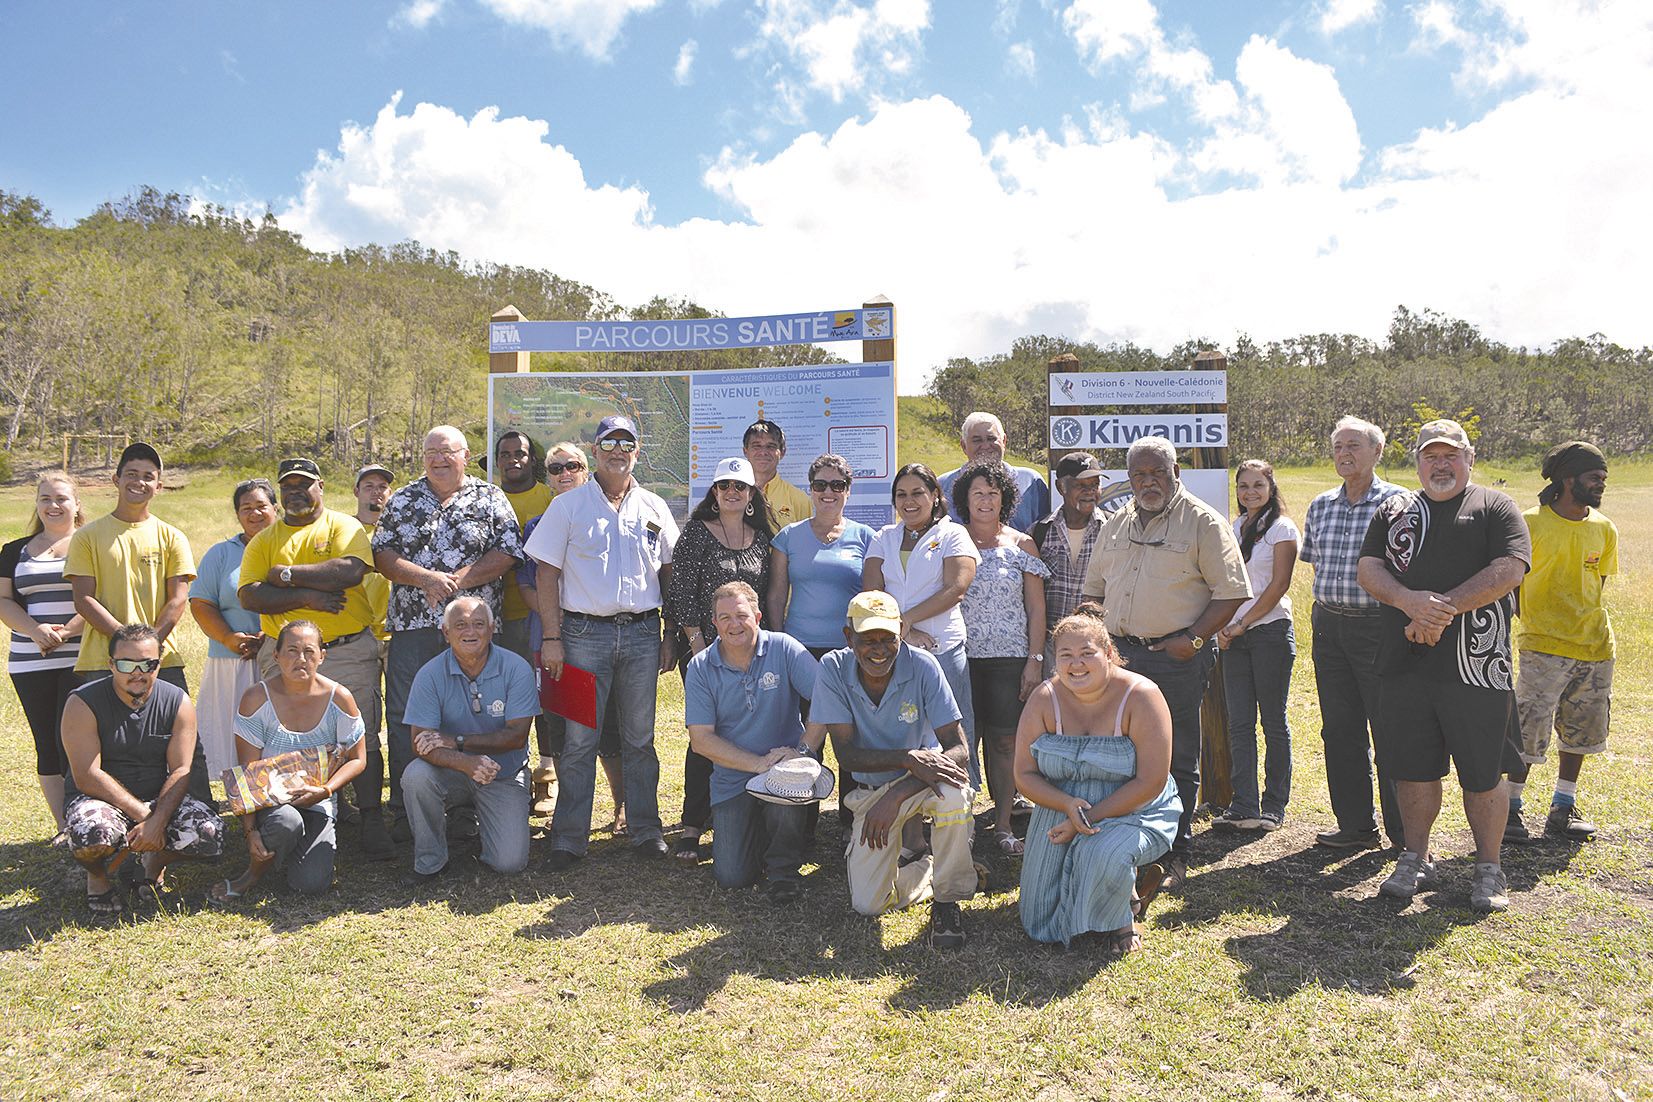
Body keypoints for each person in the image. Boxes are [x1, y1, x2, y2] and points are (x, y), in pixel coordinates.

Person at [1358, 419, 1529, 912]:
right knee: (1412, 769)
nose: (1440, 464)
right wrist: (1410, 602)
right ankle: (1416, 857)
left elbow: (1509, 569)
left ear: (1469, 459)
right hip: (1405, 661)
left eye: (1450, 455)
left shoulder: (1494, 506)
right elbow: (1369, 568)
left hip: (1478, 666)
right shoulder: (1394, 509)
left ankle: (1489, 868)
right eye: (1430, 456)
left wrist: (1440, 609)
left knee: (1483, 772)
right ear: (1416, 463)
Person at [1079, 436, 1250, 889]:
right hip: (1119, 657)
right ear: (1129, 478)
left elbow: (1231, 593)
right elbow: (1093, 592)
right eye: (1139, 475)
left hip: (1175, 658)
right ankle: (1129, 841)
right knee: (1119, 751)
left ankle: (1175, 851)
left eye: (1158, 472)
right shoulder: (1115, 523)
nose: (1148, 482)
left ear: (1177, 472)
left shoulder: (1203, 523)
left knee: (1176, 756)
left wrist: (1192, 640)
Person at [528, 414, 678, 868]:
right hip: (580, 635)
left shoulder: (654, 505)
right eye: (608, 443)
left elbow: (669, 571)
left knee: (640, 738)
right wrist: (551, 637)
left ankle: (645, 830)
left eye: (626, 443)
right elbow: (546, 573)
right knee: (577, 740)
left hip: (641, 633)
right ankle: (569, 839)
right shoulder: (569, 506)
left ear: (637, 451)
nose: (618, 451)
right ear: (595, 452)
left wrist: (670, 632)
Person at [372, 426, 523, 840]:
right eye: (430, 452)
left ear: (465, 454)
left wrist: (455, 580)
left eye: (447, 452)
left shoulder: (490, 497)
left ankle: (465, 808)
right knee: (408, 716)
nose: (438, 459)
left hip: (473, 631)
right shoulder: (402, 499)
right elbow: (382, 554)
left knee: (471, 715)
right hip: (413, 627)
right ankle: (407, 812)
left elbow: (509, 551)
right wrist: (425, 579)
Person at [239, 457, 391, 859]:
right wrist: (308, 596)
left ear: (320, 486)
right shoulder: (264, 539)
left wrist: (285, 576)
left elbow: (349, 571)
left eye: (303, 484)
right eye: (287, 485)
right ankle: (291, 818)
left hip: (347, 650)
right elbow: (251, 594)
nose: (295, 492)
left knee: (362, 735)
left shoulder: (344, 526)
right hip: (284, 657)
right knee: (286, 737)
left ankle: (371, 817)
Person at [811, 591, 976, 949]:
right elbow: (848, 756)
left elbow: (959, 748)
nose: (879, 649)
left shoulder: (924, 665)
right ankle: (933, 869)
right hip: (874, 791)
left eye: (888, 638)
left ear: (902, 631)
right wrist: (908, 758)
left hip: (922, 783)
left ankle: (948, 902)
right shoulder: (833, 668)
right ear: (847, 637)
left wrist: (901, 790)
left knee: (953, 796)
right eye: (867, 639)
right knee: (868, 905)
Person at [1015, 605, 1180, 956]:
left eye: (1087, 653)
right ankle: (1121, 888)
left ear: (1108, 654)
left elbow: (1152, 780)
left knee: (1099, 852)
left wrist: (1085, 820)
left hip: (1133, 806)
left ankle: (1123, 915)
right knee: (1038, 923)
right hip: (1063, 806)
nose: (1076, 664)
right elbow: (1024, 774)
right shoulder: (1043, 699)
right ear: (1054, 660)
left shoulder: (1142, 695)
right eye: (1066, 655)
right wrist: (1066, 806)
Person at [60, 624, 224, 915]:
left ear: (158, 664)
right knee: (93, 835)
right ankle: (97, 877)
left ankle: (153, 864)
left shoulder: (178, 702)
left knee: (210, 835)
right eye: (127, 663)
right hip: (98, 799)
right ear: (111, 664)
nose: (138, 672)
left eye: (148, 663)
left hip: (155, 798)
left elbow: (182, 769)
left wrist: (158, 819)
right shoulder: (82, 703)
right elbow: (87, 774)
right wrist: (148, 819)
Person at [1299, 416, 1407, 850]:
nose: (1345, 453)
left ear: (1378, 452)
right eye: (1339, 446)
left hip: (1379, 628)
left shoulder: (1400, 503)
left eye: (1355, 446)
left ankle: (1404, 834)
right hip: (1329, 627)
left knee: (1391, 729)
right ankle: (1356, 827)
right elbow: (1315, 562)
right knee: (1339, 730)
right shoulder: (1321, 504)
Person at [684, 582, 827, 904]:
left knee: (786, 784)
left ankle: (783, 873)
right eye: (724, 618)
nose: (734, 625)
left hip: (785, 772)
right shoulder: (701, 667)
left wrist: (802, 752)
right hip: (733, 779)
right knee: (732, 877)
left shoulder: (785, 648)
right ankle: (765, 836)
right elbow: (702, 741)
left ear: (758, 616)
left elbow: (826, 700)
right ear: (715, 623)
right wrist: (759, 764)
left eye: (741, 615)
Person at [1504, 442, 1617, 844]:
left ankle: (1563, 808)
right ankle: (1510, 811)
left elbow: (1597, 585)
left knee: (1580, 733)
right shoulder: (1529, 523)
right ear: (1568, 480)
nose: (1600, 484)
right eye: (1594, 477)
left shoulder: (1604, 529)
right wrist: (1534, 622)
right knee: (1527, 730)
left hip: (1595, 647)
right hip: (1542, 648)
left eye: (1603, 478)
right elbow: (1511, 583)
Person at [666, 455, 774, 865]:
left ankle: (747, 810)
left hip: (752, 654)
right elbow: (680, 592)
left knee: (746, 729)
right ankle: (693, 825)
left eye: (740, 487)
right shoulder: (695, 532)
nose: (732, 492)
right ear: (714, 492)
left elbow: (769, 594)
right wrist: (695, 645)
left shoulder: (761, 538)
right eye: (724, 485)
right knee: (705, 737)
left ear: (751, 495)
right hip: (705, 653)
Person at [209, 621, 367, 902]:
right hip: (271, 806)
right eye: (291, 650)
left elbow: (358, 759)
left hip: (318, 801)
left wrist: (326, 790)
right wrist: (251, 833)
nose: (301, 659)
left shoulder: (340, 698)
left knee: (311, 884)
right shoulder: (256, 698)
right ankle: (253, 873)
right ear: (276, 655)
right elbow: (247, 775)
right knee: (286, 822)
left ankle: (289, 854)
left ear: (322, 656)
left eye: (309, 651)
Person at [516, 442, 626, 827]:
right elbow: (529, 587)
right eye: (556, 468)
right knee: (561, 723)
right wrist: (556, 622)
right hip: (552, 639)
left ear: (586, 471)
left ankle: (622, 805)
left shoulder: (609, 517)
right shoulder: (535, 526)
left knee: (610, 722)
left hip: (601, 636)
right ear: (547, 479)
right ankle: (568, 809)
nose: (565, 473)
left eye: (573, 466)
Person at [768, 452, 878, 822]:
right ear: (810, 490)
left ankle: (852, 822)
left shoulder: (867, 538)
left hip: (850, 653)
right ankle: (801, 821)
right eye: (820, 485)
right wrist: (778, 644)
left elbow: (873, 600)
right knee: (805, 741)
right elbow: (777, 596)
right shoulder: (787, 538)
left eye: (837, 485)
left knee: (851, 739)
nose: (828, 492)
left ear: (849, 490)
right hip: (801, 652)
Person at [402, 596, 539, 882]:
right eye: (460, 625)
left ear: (492, 629)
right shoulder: (429, 674)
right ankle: (431, 861)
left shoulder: (516, 669)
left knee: (509, 862)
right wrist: (465, 762)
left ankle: (488, 825)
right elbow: (420, 742)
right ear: (445, 632)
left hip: (503, 772)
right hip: (450, 771)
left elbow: (516, 737)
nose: (470, 632)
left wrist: (456, 741)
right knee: (416, 776)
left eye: (478, 624)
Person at [952, 459, 1049, 855]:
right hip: (960, 657)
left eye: (993, 492)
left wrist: (1035, 659)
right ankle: (961, 824)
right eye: (978, 493)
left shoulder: (1022, 543)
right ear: (965, 499)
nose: (986, 500)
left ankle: (1004, 823)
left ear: (1005, 497)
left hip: (1009, 659)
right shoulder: (952, 541)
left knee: (1005, 742)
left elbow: (1036, 608)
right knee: (960, 742)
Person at [863, 462, 979, 786]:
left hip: (941, 645)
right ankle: (905, 813)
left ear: (934, 495)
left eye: (917, 493)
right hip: (893, 648)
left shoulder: (953, 533)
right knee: (902, 727)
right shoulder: (884, 537)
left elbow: (956, 588)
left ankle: (960, 808)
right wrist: (903, 629)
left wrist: (908, 619)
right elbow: (872, 589)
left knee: (953, 728)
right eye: (901, 494)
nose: (908, 501)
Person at [65, 441, 196, 689]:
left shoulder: (172, 537)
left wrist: (150, 645)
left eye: (148, 477)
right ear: (116, 480)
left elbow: (177, 599)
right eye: (132, 474)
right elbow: (83, 598)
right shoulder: (87, 536)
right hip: (103, 661)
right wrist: (124, 643)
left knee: (174, 727)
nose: (139, 482)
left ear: (158, 486)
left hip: (161, 660)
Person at [1214, 460, 1299, 831]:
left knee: (1273, 723)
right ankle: (1243, 804)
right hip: (1235, 636)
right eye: (1244, 486)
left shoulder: (1282, 529)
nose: (1251, 492)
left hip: (1269, 634)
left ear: (1271, 487)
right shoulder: (1234, 527)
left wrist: (1242, 624)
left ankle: (1273, 806)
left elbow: (1279, 585)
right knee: (1240, 723)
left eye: (1258, 485)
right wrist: (1225, 626)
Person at [0, 470, 87, 832]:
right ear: (37, 504)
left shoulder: (90, 543)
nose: (53, 505)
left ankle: (89, 820)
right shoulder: (13, 551)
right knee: (46, 745)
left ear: (76, 504)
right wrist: (36, 631)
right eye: (45, 499)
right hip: (28, 662)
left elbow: (101, 598)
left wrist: (66, 632)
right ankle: (65, 829)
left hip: (82, 658)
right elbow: (3, 601)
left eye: (61, 498)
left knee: (74, 743)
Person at [188, 478, 277, 779]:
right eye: (246, 508)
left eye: (261, 506)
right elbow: (201, 603)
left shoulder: (288, 545)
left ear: (275, 508)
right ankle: (244, 807)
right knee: (233, 734)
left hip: (281, 657)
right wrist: (228, 637)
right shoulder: (220, 554)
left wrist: (272, 638)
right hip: (232, 659)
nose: (254, 514)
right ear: (238, 515)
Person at [1031, 452, 1107, 673]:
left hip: (1099, 647)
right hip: (1051, 649)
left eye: (1094, 485)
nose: (1089, 492)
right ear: (1060, 487)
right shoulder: (1039, 532)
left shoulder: (1114, 529)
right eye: (1080, 486)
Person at [937, 412, 1051, 535]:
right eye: (977, 440)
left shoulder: (1031, 481)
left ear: (1004, 441)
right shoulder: (943, 486)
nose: (985, 446)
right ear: (964, 446)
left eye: (991, 439)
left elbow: (1046, 531)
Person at [743, 419, 812, 527]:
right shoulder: (733, 495)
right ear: (745, 451)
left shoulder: (800, 500)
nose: (763, 452)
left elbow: (805, 542)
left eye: (771, 446)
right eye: (756, 446)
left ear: (782, 452)